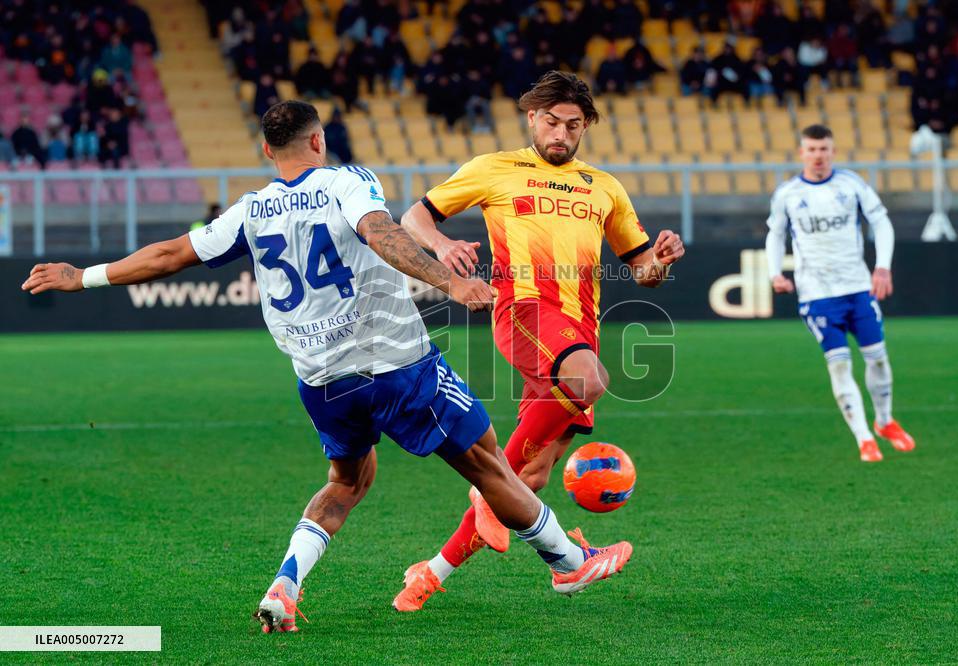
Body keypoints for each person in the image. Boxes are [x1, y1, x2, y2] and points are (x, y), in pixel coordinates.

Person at [20, 100, 632, 633]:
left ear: (266, 149)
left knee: (346, 483)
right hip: (396, 366)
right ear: (318, 140)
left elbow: (170, 253)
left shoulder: (250, 210)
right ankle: (568, 566)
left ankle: (285, 584)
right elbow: (379, 232)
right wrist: (448, 280)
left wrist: (83, 276)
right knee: (487, 462)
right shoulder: (347, 182)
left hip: (321, 381)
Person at [397, 71, 685, 610]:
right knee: (590, 380)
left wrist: (661, 261)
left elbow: (643, 270)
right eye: (552, 122)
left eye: (573, 125)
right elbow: (415, 216)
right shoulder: (494, 168)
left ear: (586, 128)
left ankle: (431, 574)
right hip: (524, 310)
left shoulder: (604, 187)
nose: (561, 133)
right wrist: (439, 245)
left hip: (580, 329)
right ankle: (495, 502)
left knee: (530, 475)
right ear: (532, 118)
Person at [764, 124, 916, 463]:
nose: (818, 156)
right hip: (817, 294)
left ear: (832, 151)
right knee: (839, 365)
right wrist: (775, 272)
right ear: (802, 152)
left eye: (824, 149)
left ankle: (885, 421)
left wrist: (883, 266)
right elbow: (776, 235)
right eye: (812, 150)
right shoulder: (787, 194)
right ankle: (864, 438)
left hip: (858, 287)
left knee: (877, 356)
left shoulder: (851, 185)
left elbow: (881, 222)